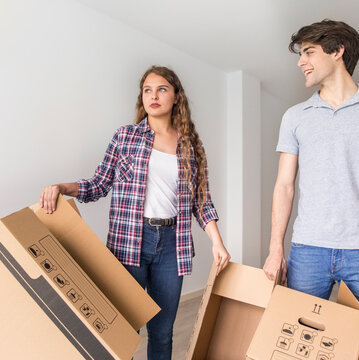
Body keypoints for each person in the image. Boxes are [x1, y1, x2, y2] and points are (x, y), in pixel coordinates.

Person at [40, 65, 230, 360]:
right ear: (142, 98)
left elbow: (201, 200)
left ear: (176, 96)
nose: (154, 96)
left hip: (172, 246)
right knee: (123, 330)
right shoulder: (125, 136)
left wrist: (217, 242)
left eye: (162, 89)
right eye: (147, 90)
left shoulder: (190, 146)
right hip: (129, 241)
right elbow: (99, 184)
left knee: (162, 332)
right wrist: (62, 187)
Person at [262, 20, 359, 360]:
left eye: (309, 52)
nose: (301, 62)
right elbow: (284, 186)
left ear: (337, 51)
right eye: (301, 54)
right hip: (308, 250)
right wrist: (276, 249)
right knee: (297, 348)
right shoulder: (295, 116)